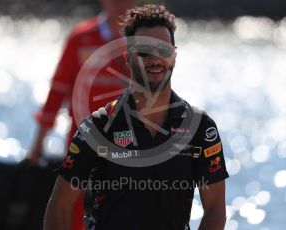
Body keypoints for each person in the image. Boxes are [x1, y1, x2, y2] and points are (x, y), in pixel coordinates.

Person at [44, 4, 229, 230]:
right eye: (144, 52)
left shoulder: (200, 128)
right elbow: (59, 207)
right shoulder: (99, 127)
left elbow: (216, 211)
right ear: (128, 58)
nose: (155, 60)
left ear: (174, 55)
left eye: (163, 50)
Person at [28, 0, 136, 229]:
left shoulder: (143, 42)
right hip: (81, 142)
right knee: (74, 212)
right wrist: (37, 146)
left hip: (129, 147)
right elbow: (57, 92)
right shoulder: (80, 38)